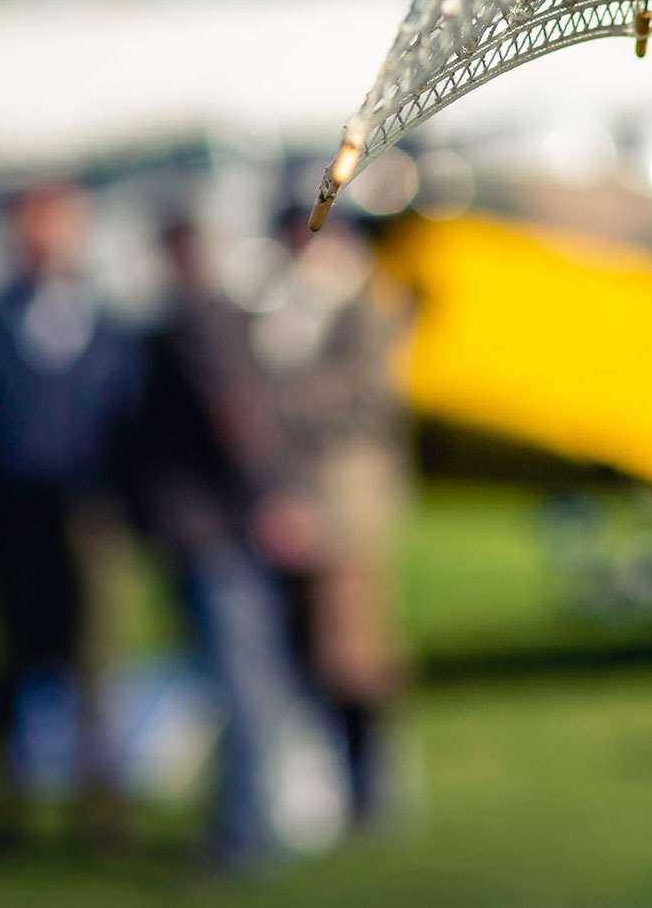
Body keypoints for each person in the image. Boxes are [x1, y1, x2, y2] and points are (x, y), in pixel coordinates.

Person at [0, 179, 143, 849]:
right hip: (7, 516)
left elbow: (134, 421)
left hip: (90, 515)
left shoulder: (110, 325)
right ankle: (6, 800)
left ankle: (102, 804)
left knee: (96, 660)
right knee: (9, 659)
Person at [127, 215, 326, 873]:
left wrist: (272, 497)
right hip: (228, 522)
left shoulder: (196, 321)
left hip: (217, 528)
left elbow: (235, 419)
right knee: (252, 677)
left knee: (242, 682)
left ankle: (248, 832)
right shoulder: (225, 317)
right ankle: (258, 822)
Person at [258, 206, 412, 833]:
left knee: (352, 652)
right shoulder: (295, 308)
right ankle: (335, 787)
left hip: (348, 509)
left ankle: (371, 790)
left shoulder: (362, 307)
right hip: (302, 505)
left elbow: (366, 397)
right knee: (307, 647)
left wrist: (279, 394)